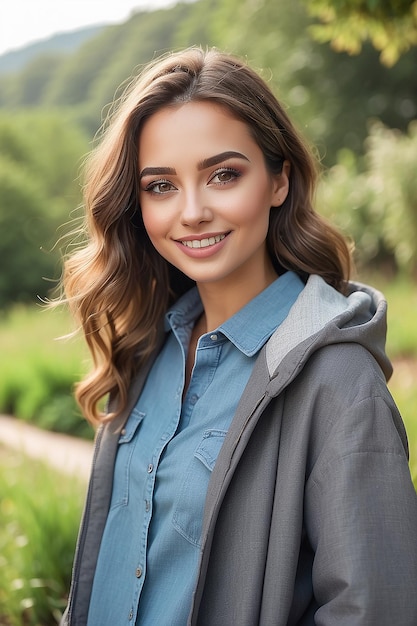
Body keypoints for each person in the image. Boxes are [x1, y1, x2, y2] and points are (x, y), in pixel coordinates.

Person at [60, 47, 417, 626]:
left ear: (279, 180)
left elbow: (374, 608)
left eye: (224, 174)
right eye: (161, 186)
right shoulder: (147, 353)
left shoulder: (339, 382)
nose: (193, 211)